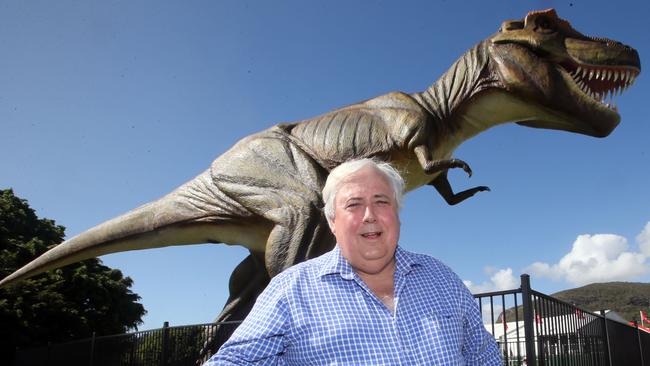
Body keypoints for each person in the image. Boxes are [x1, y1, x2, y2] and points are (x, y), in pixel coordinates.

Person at [205, 158, 501, 365]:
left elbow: (483, 355)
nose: (370, 215)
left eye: (381, 201)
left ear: (397, 213)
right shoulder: (289, 292)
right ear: (332, 222)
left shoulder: (442, 278)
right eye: (354, 205)